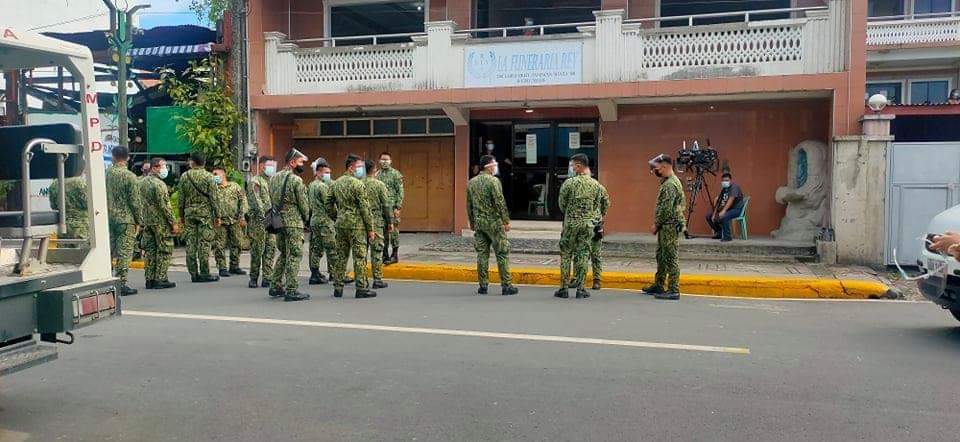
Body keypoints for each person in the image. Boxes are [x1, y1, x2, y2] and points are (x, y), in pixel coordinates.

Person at [466, 155, 518, 296]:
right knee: (502, 253)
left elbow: (469, 204)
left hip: (479, 222)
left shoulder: (472, 182)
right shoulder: (494, 181)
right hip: (493, 223)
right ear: (488, 166)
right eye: (494, 164)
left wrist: (471, 222)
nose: (495, 167)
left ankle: (483, 285)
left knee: (482, 254)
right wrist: (505, 220)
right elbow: (499, 202)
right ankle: (506, 285)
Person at [555, 154, 603, 300]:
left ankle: (563, 288)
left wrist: (571, 212)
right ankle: (581, 289)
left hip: (570, 224)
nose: (572, 168)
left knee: (566, 255)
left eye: (573, 165)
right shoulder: (595, 185)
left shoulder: (569, 184)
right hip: (587, 225)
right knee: (582, 254)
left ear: (579, 166)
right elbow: (598, 205)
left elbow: (561, 204)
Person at [330, 154, 377, 299]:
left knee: (340, 256)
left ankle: (338, 287)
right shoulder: (358, 184)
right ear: (351, 168)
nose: (361, 170)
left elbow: (328, 203)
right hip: (357, 226)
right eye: (359, 167)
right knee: (359, 256)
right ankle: (361, 287)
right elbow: (365, 209)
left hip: (341, 225)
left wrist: (337, 216)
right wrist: (371, 229)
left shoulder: (336, 183)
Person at [269, 148, 312, 302]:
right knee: (294, 254)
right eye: (300, 162)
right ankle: (292, 289)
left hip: (278, 221)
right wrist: (307, 220)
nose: (302, 165)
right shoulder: (296, 180)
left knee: (284, 253)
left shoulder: (273, 178)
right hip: (294, 222)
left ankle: (275, 285)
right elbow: (303, 204)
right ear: (292, 162)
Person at [644, 154, 686, 300]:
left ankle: (674, 289)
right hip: (666, 225)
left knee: (670, 257)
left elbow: (667, 209)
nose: (655, 171)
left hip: (669, 225)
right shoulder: (667, 181)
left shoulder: (670, 185)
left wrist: (656, 224)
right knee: (661, 256)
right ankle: (659, 285)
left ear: (665, 166)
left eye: (656, 168)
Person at [177, 151, 221, 283]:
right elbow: (214, 198)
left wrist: (181, 215)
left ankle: (193, 273)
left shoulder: (185, 176)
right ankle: (205, 272)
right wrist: (217, 215)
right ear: (204, 162)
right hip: (205, 214)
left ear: (192, 162)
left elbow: (181, 199)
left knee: (190, 243)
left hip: (189, 213)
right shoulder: (208, 177)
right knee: (204, 243)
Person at [105, 145, 143, 296]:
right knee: (124, 252)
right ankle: (120, 282)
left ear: (113, 157)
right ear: (127, 158)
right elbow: (135, 201)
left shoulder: (106, 174)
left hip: (108, 218)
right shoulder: (130, 176)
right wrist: (139, 220)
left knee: (109, 250)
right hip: (126, 219)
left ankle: (106, 279)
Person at [139, 157, 179, 289]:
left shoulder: (141, 182)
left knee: (150, 250)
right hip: (160, 222)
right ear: (155, 168)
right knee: (164, 249)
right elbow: (165, 206)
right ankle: (160, 278)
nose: (165, 169)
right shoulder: (159, 184)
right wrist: (173, 222)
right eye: (163, 166)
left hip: (147, 222)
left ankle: (149, 279)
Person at [246, 155, 277, 289]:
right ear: (261, 166)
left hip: (272, 220)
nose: (271, 168)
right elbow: (255, 201)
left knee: (270, 248)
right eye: (268, 165)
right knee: (258, 250)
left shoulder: (273, 182)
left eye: (272, 166)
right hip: (259, 221)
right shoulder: (255, 181)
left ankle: (267, 277)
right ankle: (253, 277)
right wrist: (264, 215)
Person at [212, 167, 249, 277]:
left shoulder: (234, 186)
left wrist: (242, 217)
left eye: (215, 174)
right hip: (219, 221)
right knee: (219, 245)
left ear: (223, 175)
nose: (214, 176)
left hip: (235, 220)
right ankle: (222, 267)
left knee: (237, 243)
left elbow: (243, 201)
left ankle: (234, 266)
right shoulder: (213, 188)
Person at [363, 159, 393, 289]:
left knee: (362, 251)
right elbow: (386, 205)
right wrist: (389, 221)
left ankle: (362, 279)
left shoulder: (359, 183)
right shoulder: (379, 185)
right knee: (377, 251)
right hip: (376, 220)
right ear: (374, 170)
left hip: (362, 220)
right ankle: (377, 279)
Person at [307, 158, 338, 285]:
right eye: (326, 172)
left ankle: (315, 273)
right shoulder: (322, 187)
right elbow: (329, 205)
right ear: (318, 173)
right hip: (325, 221)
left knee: (317, 248)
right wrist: (336, 216)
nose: (328, 175)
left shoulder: (311, 185)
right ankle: (337, 274)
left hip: (315, 220)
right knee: (332, 248)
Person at [377, 152, 404, 265]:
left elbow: (400, 191)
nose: (385, 162)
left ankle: (394, 254)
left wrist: (398, 207)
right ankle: (385, 254)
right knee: (382, 232)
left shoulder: (396, 174)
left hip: (392, 207)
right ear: (379, 161)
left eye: (387, 159)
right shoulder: (377, 174)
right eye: (383, 159)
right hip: (380, 208)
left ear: (391, 161)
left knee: (393, 231)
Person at [48, 176, 88, 246]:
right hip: (82, 227)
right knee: (84, 254)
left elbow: (53, 206)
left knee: (64, 254)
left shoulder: (54, 184)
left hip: (63, 227)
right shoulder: (81, 183)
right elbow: (88, 203)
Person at [706, 172, 745, 242]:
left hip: (736, 210)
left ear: (730, 180)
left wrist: (723, 211)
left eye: (727, 180)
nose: (725, 182)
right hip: (728, 209)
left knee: (724, 216)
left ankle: (727, 236)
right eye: (723, 180)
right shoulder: (724, 189)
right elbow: (719, 202)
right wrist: (714, 214)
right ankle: (719, 232)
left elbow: (731, 199)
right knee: (709, 216)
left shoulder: (734, 187)